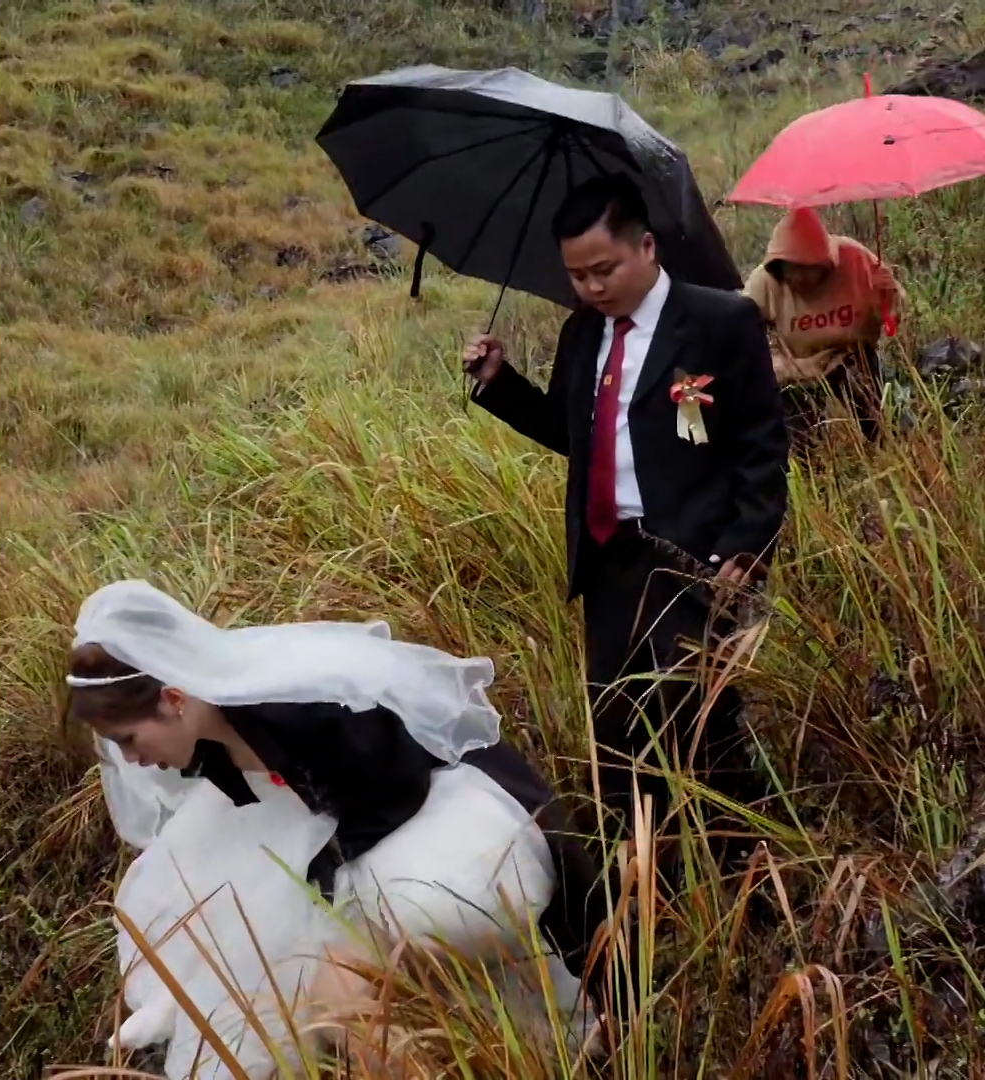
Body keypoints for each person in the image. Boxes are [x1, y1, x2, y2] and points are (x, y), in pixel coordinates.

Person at [68, 581, 608, 1080]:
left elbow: (397, 785)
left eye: (130, 740)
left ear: (176, 700)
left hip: (428, 813)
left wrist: (326, 877)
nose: (131, 761)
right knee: (249, 927)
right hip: (343, 819)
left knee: (336, 991)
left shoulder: (304, 712)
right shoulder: (205, 735)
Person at [463, 174, 789, 870]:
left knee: (702, 723)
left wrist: (745, 547)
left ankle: (746, 868)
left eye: (603, 269)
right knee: (617, 730)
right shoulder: (584, 334)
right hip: (608, 561)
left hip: (692, 560)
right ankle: (648, 877)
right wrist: (500, 382)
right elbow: (574, 434)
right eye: (577, 275)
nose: (590, 287)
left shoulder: (719, 321)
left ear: (646, 247)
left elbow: (762, 446)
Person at [743, 205, 905, 444]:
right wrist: (785, 366)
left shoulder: (855, 260)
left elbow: (891, 316)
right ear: (778, 266)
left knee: (885, 425)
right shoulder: (764, 283)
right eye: (793, 270)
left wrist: (887, 298)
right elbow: (737, 333)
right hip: (797, 369)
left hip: (852, 357)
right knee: (802, 444)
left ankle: (885, 448)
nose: (801, 278)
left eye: (809, 269)